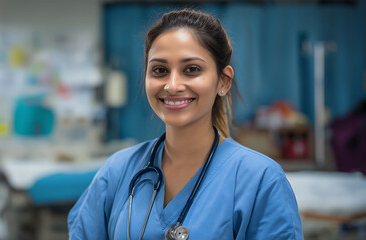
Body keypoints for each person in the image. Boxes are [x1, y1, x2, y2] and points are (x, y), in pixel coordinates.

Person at [68, 9, 303, 240]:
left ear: (223, 81)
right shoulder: (118, 170)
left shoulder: (259, 179)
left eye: (191, 69)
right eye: (160, 70)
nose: (172, 85)